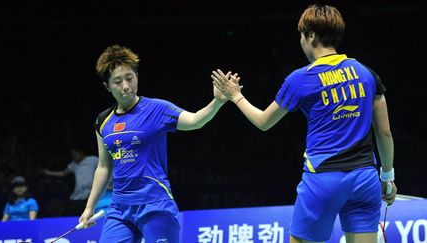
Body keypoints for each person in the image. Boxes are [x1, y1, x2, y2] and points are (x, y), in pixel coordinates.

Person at [212, 4, 397, 243]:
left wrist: (235, 95)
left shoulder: (301, 78)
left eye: (301, 35)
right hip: (364, 178)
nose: (300, 41)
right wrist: (387, 177)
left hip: (323, 180)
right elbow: (384, 133)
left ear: (311, 35)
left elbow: (263, 122)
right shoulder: (366, 73)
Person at [78, 44, 228, 242]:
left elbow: (195, 121)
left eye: (130, 78)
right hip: (120, 209)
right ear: (107, 86)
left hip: (155, 204)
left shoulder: (157, 109)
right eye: (118, 81)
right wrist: (89, 208)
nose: (126, 85)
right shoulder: (103, 121)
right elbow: (104, 167)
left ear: (137, 77)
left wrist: (217, 102)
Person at [42, 142, 98, 216]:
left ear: (80, 153)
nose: (73, 157)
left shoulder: (93, 160)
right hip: (77, 195)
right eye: (72, 155)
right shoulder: (74, 164)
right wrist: (48, 172)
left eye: (75, 154)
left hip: (90, 194)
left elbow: (104, 167)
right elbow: (63, 173)